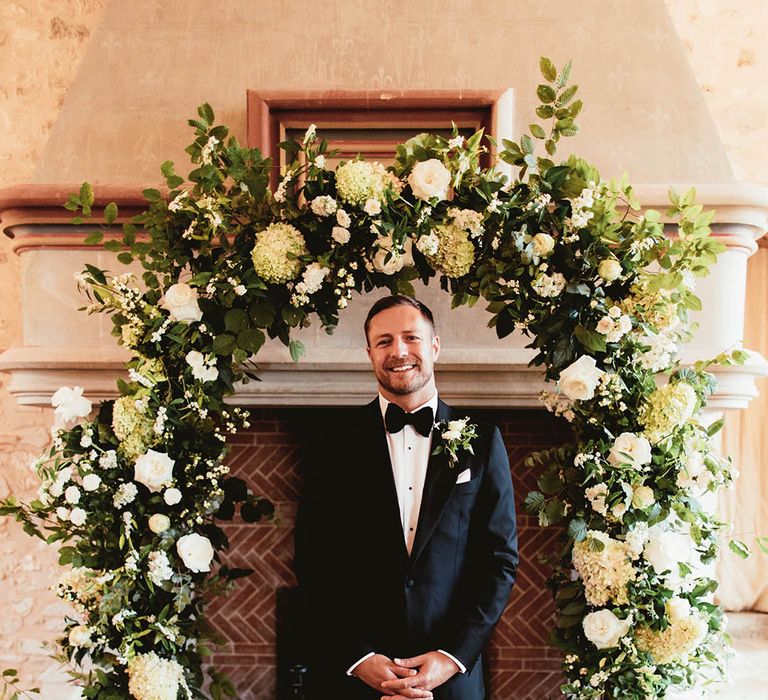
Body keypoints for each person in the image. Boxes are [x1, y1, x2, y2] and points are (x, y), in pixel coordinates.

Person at [294, 294, 518, 700]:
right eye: (384, 341)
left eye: (411, 338)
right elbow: (314, 560)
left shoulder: (483, 441)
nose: (398, 351)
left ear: (434, 346)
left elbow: (499, 562)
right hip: (355, 682)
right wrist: (360, 658)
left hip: (452, 682)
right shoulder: (332, 443)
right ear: (369, 353)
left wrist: (452, 656)